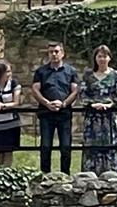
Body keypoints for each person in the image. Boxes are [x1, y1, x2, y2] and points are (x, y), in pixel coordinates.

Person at [33, 41, 81, 174]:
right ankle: (45, 175)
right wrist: (46, 103)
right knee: (45, 146)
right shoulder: (41, 71)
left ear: (62, 53)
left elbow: (75, 91)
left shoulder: (70, 71)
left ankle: (65, 175)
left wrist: (64, 103)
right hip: (46, 114)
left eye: (56, 51)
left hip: (64, 113)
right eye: (51, 52)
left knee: (65, 146)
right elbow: (35, 89)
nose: (54, 54)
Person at [80, 47, 117, 175]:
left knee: (111, 144)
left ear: (109, 58)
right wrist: (93, 104)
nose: (102, 59)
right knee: (91, 146)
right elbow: (83, 95)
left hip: (109, 117)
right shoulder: (88, 76)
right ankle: (90, 173)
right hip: (93, 117)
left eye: (105, 56)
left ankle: (112, 172)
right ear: (95, 58)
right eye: (99, 56)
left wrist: (111, 104)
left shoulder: (116, 75)